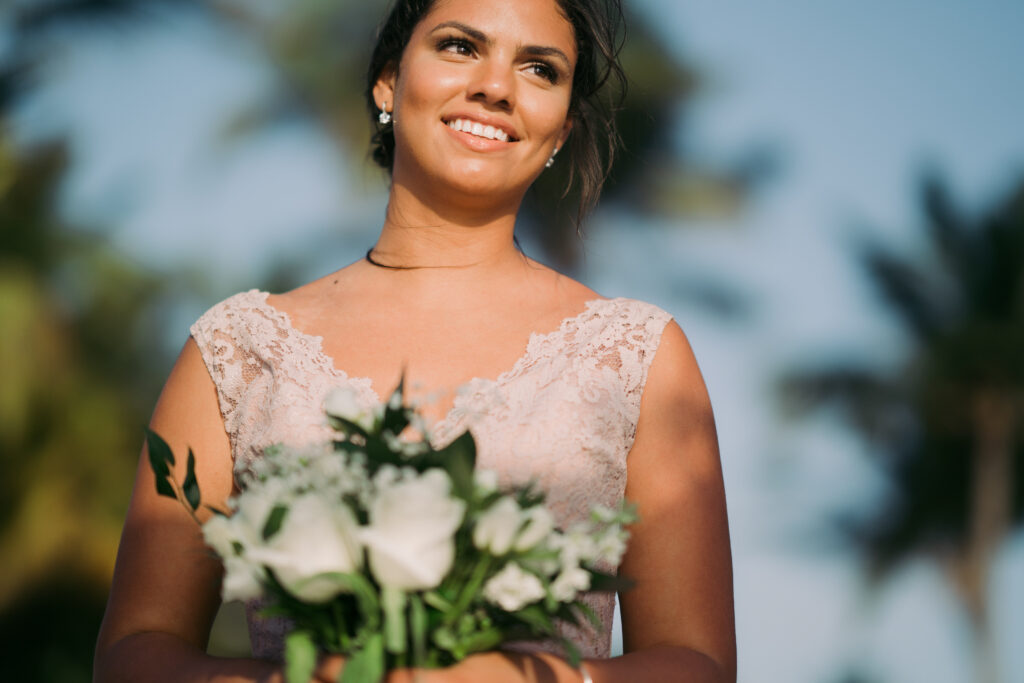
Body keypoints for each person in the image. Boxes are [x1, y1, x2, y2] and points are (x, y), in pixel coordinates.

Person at [93, 0, 736, 680]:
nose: (496, 86)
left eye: (540, 69)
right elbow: (135, 651)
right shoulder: (239, 349)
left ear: (561, 130)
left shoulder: (637, 355)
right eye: (461, 47)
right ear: (387, 81)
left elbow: (699, 663)